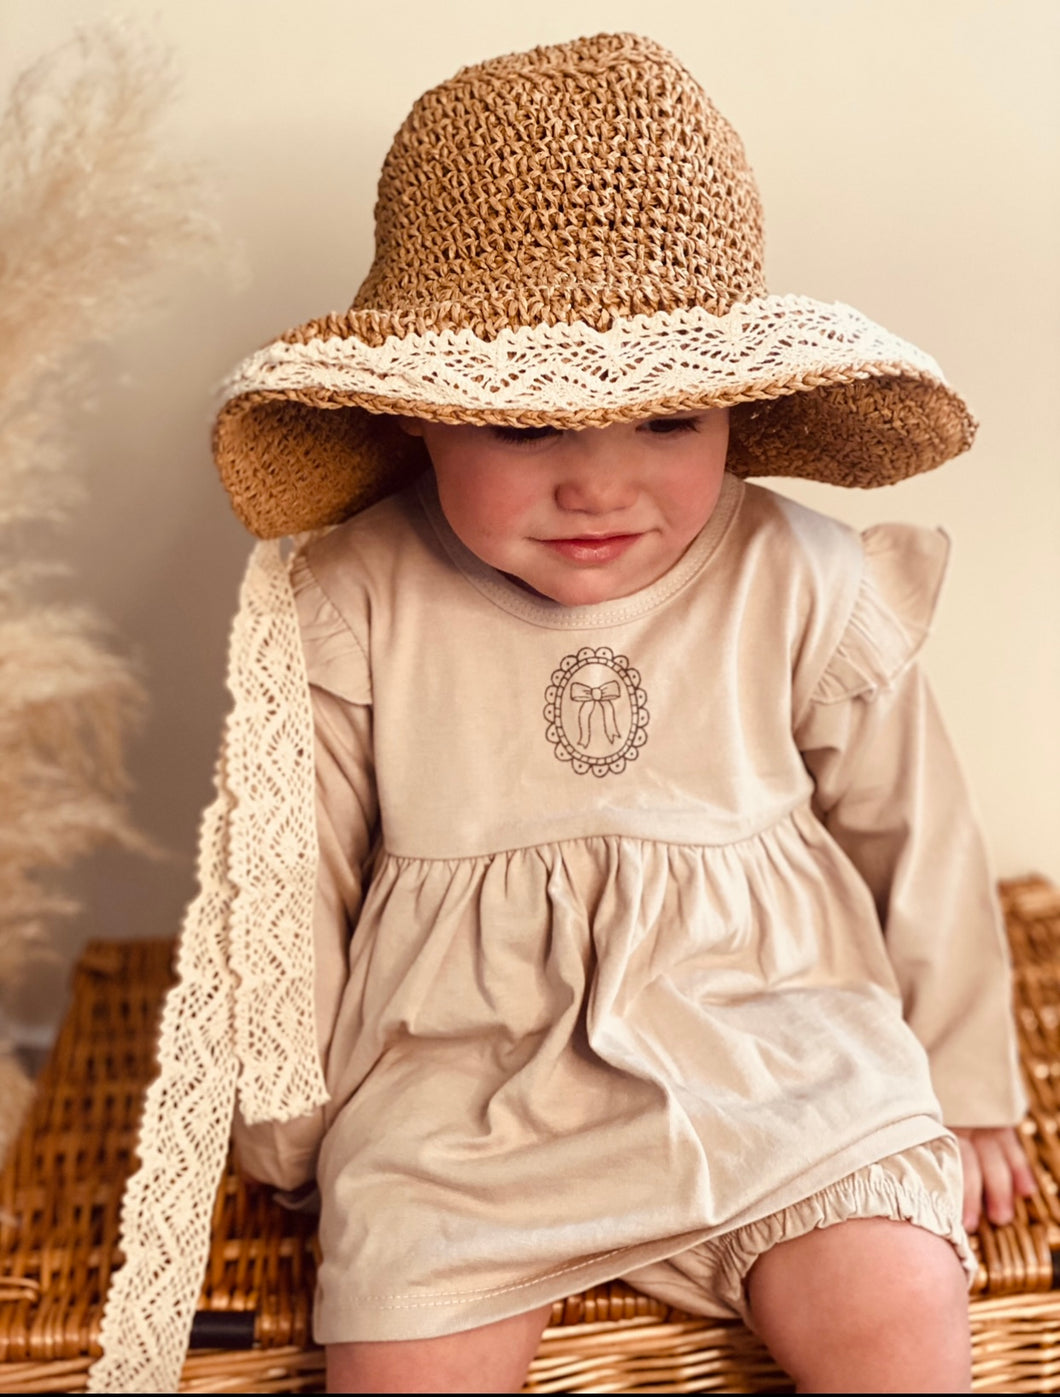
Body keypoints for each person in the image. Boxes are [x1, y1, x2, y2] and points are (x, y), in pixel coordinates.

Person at [92, 32, 1034, 1396]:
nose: (603, 483)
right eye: (529, 428)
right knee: (399, 1349)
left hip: (775, 1035)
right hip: (456, 1084)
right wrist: (282, 1115)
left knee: (901, 1302)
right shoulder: (356, 599)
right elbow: (291, 866)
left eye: (668, 420)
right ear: (420, 417)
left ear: (739, 400)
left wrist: (966, 1077)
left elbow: (917, 830)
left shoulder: (798, 575)